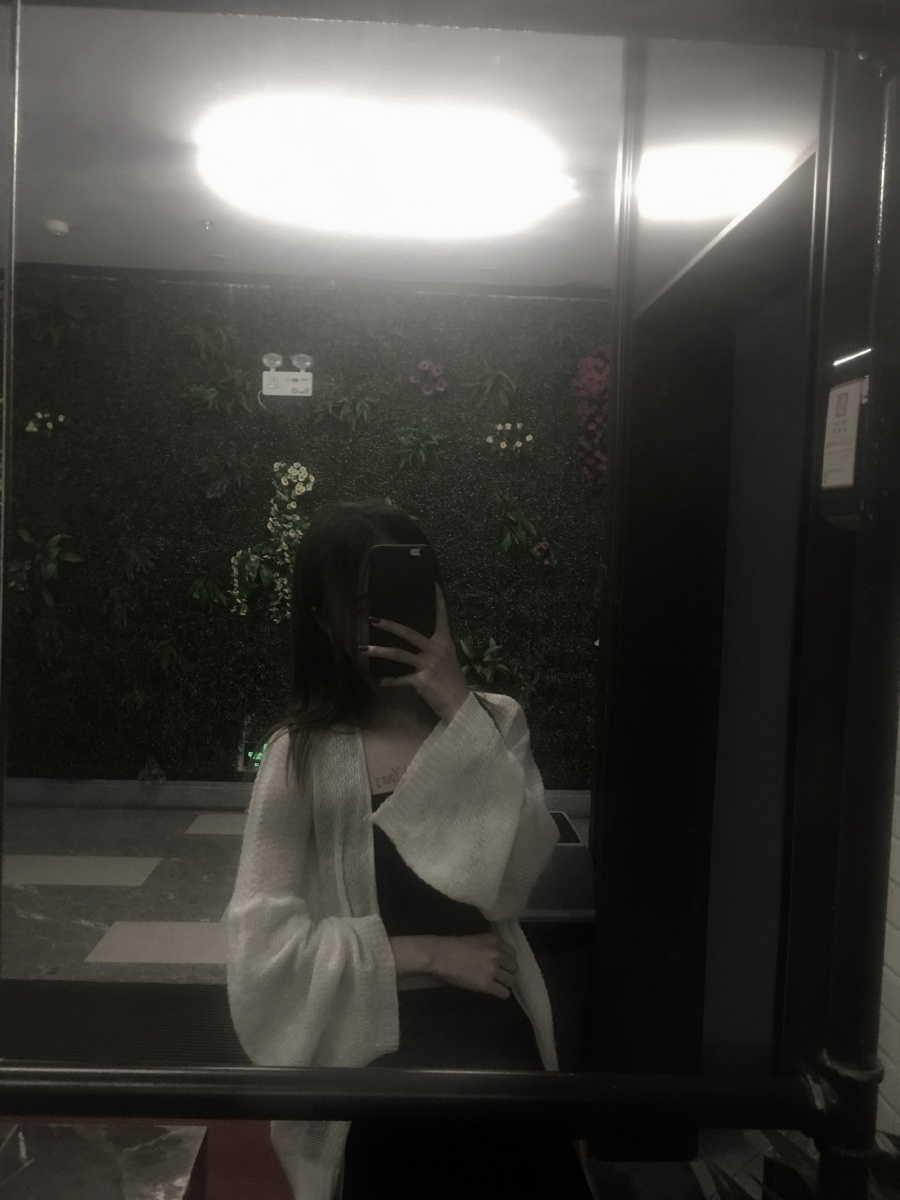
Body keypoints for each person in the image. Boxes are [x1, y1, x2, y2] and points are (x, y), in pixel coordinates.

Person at [226, 499, 594, 1200]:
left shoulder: (496, 722)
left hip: (492, 1032)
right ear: (323, 622)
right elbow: (260, 958)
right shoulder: (300, 759)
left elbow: (515, 877)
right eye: (364, 610)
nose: (388, 624)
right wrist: (429, 953)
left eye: (406, 599)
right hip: (372, 1046)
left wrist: (458, 709)